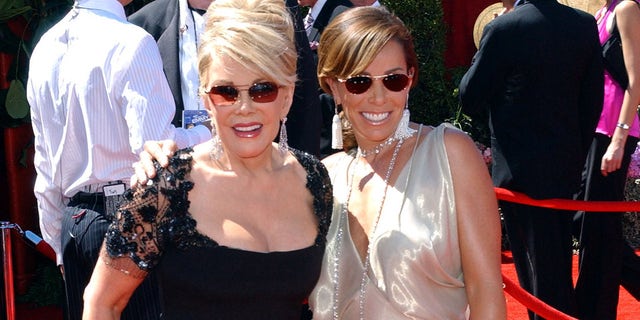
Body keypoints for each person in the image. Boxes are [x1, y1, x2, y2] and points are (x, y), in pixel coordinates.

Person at [134, 6, 507, 319]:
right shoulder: (321, 177)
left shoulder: (448, 152)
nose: (378, 98)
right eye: (360, 82)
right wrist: (171, 161)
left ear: (410, 80)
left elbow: (487, 291)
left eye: (393, 80)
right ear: (335, 87)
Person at [82, 0, 333, 319]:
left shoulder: (313, 179)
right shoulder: (167, 185)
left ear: (286, 98)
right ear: (206, 101)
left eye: (262, 90)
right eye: (226, 92)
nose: (244, 108)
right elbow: (102, 301)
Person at [26, 0, 212, 318]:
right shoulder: (131, 41)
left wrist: (58, 245)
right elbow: (155, 149)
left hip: (74, 224)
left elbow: (44, 166)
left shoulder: (44, 47)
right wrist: (209, 132)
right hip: (130, 219)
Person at [459, 0, 604, 319]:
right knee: (554, 262)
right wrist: (575, 152)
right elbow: (592, 100)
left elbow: (470, 96)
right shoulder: (582, 24)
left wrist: (486, 43)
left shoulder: (503, 28)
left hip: (518, 170)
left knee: (536, 271)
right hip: (564, 165)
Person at [128, 0, 323, 157]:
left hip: (268, 181)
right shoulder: (143, 25)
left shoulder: (272, 10)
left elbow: (304, 109)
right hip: (183, 186)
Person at [573, 0, 640, 319]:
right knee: (594, 224)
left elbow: (635, 79)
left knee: (596, 223)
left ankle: (592, 309)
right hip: (594, 130)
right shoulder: (603, 12)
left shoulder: (627, 9)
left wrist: (619, 138)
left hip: (612, 131)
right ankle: (591, 307)